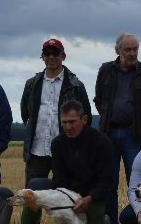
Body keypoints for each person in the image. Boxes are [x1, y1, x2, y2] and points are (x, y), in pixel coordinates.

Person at [15, 100, 115, 224]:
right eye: (64, 122)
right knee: (35, 185)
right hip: (67, 192)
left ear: (84, 119)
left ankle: (102, 220)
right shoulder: (58, 143)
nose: (67, 127)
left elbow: (106, 180)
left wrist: (89, 198)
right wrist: (65, 202)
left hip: (91, 195)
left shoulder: (101, 142)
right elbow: (59, 179)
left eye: (72, 122)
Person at [93, 32, 141, 224]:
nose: (132, 53)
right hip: (108, 133)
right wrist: (108, 118)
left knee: (136, 182)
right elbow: (98, 99)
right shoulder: (105, 70)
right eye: (128, 49)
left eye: (135, 49)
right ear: (118, 50)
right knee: (108, 180)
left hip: (133, 134)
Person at [20, 38, 92, 181]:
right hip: (37, 150)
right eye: (47, 53)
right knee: (32, 195)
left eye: (55, 53)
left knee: (66, 192)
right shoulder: (31, 84)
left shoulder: (76, 85)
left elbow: (86, 117)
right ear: (43, 57)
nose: (51, 57)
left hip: (67, 149)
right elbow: (25, 113)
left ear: (63, 56)